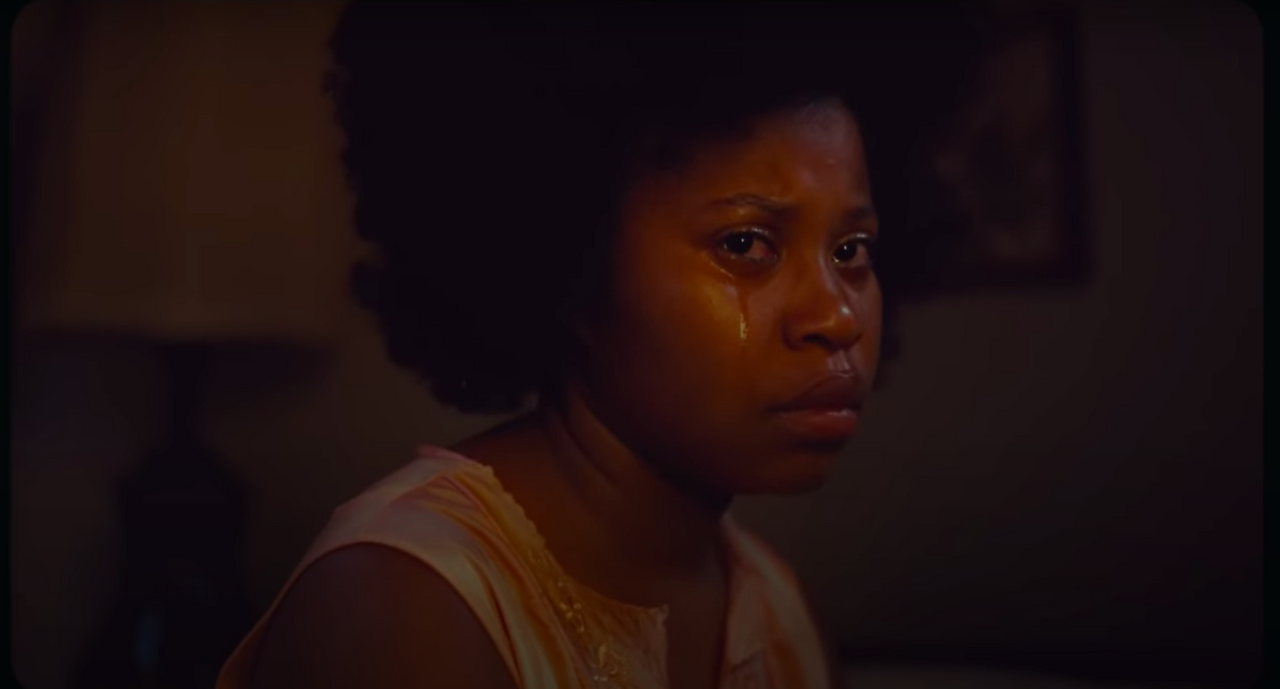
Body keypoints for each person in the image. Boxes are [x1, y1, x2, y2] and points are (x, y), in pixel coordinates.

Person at [219, 4, 980, 688]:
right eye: (746, 244)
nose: (838, 316)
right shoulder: (404, 605)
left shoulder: (777, 607)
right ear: (571, 262)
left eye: (851, 250)